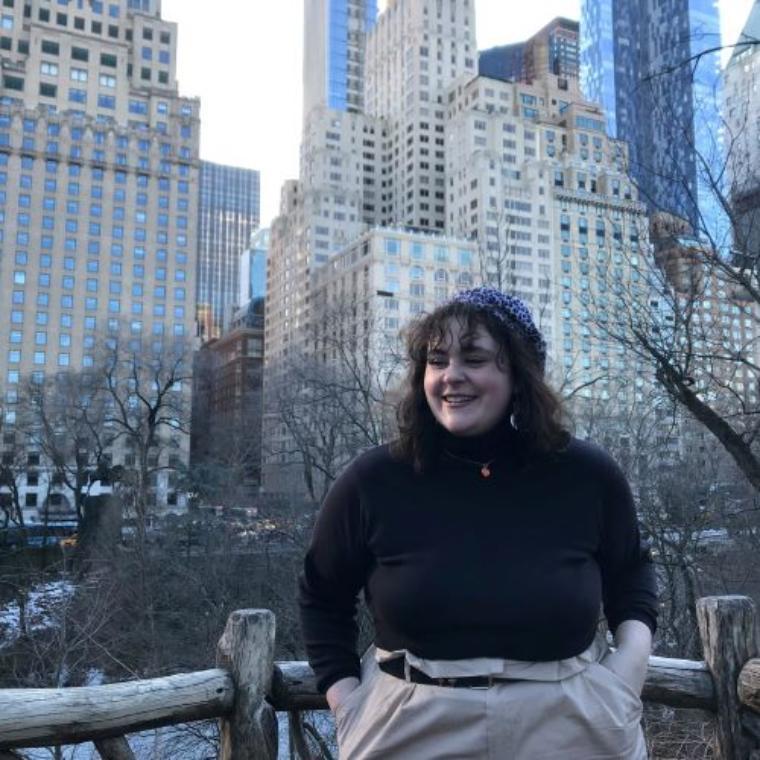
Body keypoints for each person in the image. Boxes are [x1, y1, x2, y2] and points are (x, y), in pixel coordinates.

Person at [298, 287, 658, 759]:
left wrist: (623, 679)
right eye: (438, 359)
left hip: (573, 725)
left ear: (520, 373)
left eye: (474, 358)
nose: (452, 376)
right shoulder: (373, 480)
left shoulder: (586, 474)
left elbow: (631, 573)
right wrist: (349, 704)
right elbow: (321, 595)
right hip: (409, 728)